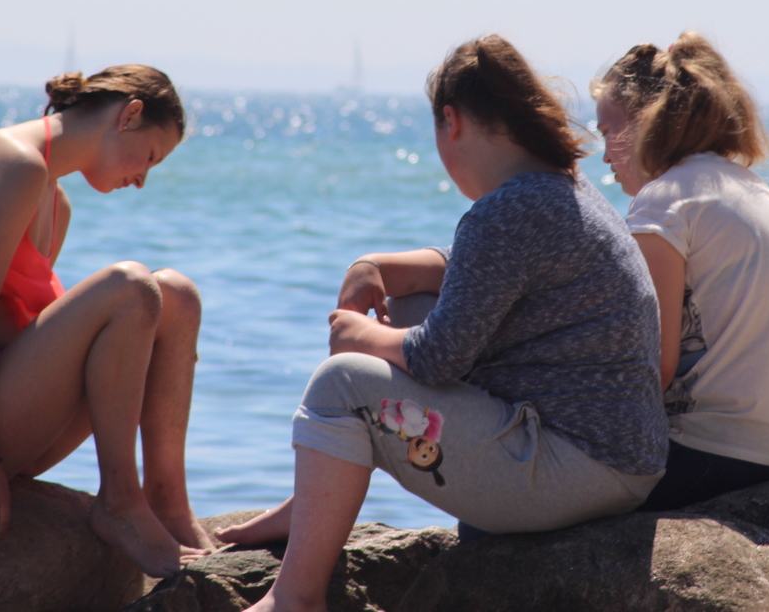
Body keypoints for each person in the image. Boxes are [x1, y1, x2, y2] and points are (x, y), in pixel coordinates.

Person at [219, 36, 667, 612]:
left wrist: (355, 334)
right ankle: (312, 499)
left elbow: (438, 358)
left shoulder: (508, 210)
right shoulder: (559, 188)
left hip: (574, 470)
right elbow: (471, 275)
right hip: (615, 462)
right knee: (410, 308)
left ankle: (296, 597)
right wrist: (373, 266)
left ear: (450, 121)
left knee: (341, 383)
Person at [0, 64, 216, 578]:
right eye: (150, 157)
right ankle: (120, 501)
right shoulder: (14, 163)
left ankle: (166, 500)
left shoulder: (55, 203)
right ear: (129, 116)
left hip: (5, 407)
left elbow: (26, 336)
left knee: (177, 295)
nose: (141, 180)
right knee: (129, 284)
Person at [591, 32, 769, 511]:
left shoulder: (665, 199)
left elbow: (651, 366)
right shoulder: (757, 193)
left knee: (521, 494)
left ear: (647, 120)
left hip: (711, 451)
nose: (605, 154)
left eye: (607, 131)